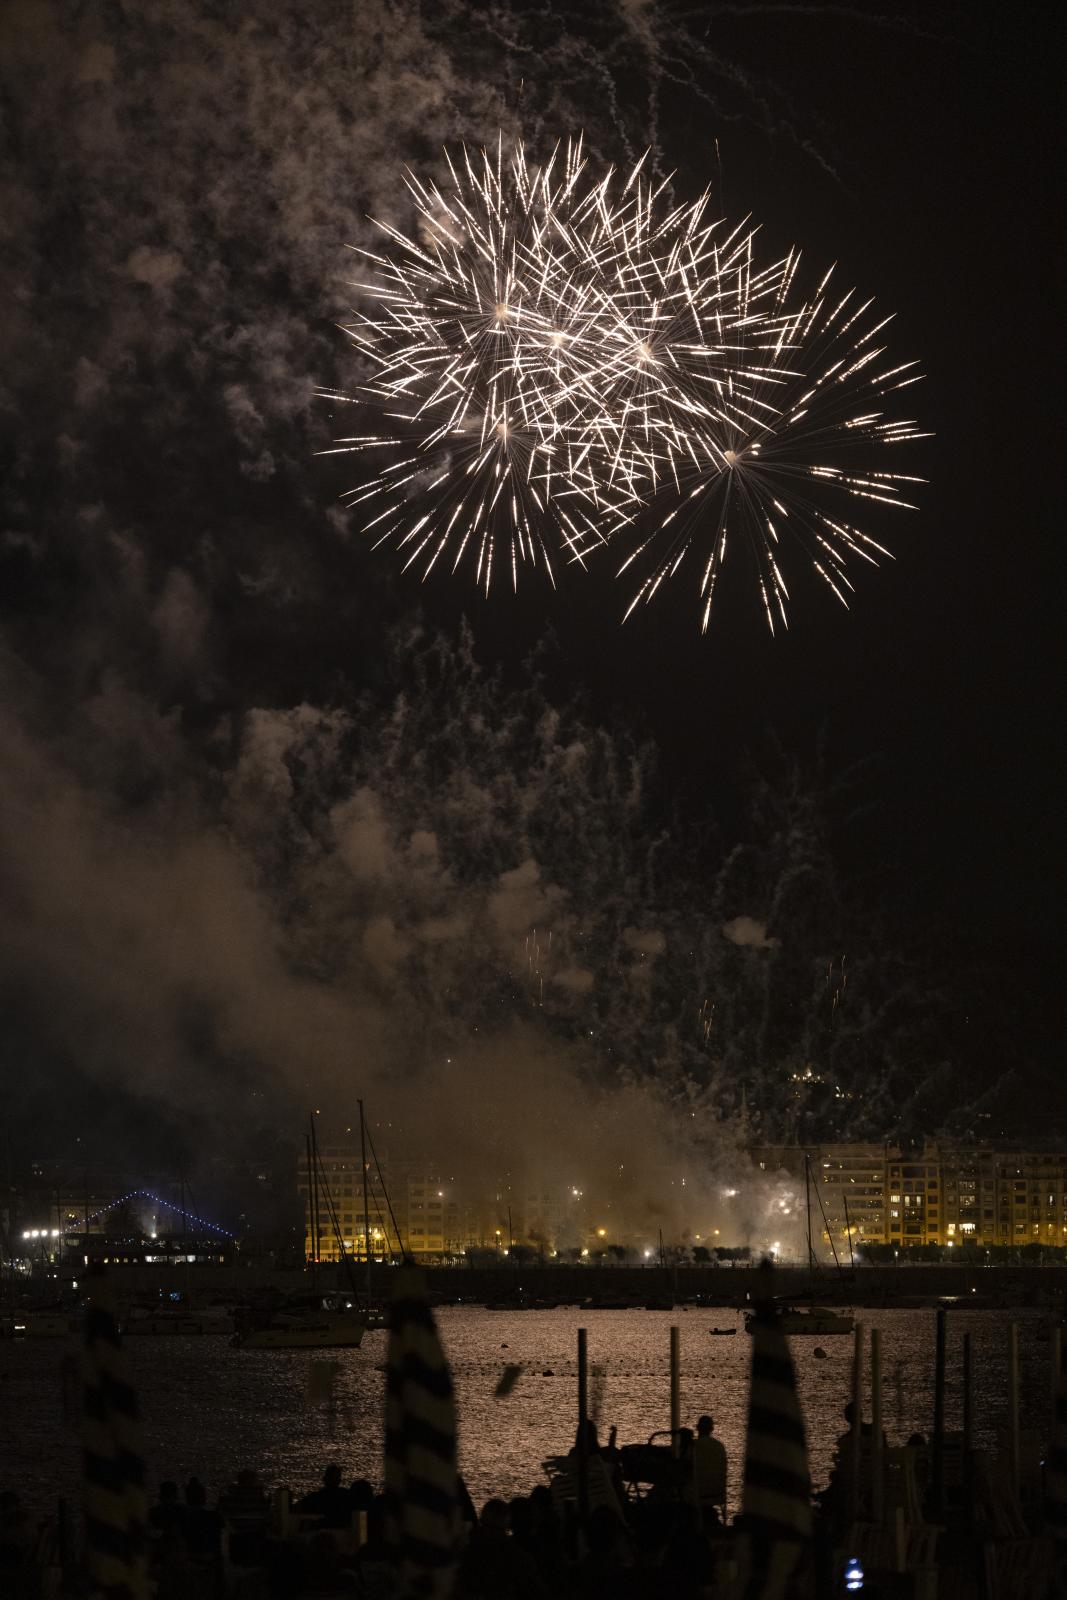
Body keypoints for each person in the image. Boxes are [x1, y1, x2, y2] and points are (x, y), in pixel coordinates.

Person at [294, 1462, 352, 1529]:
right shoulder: (346, 1495)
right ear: (339, 1480)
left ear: (324, 1479)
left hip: (323, 1529)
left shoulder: (316, 1497)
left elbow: (299, 1507)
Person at [692, 1415, 727, 1521]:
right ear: (712, 1429)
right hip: (718, 1494)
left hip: (697, 1494)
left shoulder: (693, 1446)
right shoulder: (720, 1446)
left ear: (697, 1428)